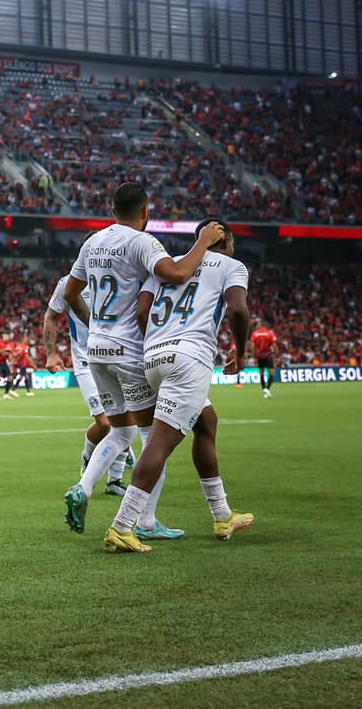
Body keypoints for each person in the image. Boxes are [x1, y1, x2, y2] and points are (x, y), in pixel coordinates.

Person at [62, 182, 225, 537]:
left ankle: (83, 487)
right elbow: (178, 273)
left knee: (121, 430)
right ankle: (145, 522)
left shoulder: (92, 242)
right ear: (146, 212)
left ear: (112, 209)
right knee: (155, 441)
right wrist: (203, 242)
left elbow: (71, 293)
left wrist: (95, 325)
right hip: (129, 351)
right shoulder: (142, 242)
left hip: (97, 350)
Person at [103, 218, 254, 552]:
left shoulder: (166, 266)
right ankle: (121, 526)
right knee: (161, 443)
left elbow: (142, 311)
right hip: (190, 359)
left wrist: (159, 343)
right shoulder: (232, 265)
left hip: (154, 356)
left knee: (206, 422)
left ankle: (222, 514)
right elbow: (238, 311)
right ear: (225, 238)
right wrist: (241, 352)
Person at [43, 275, 132, 497]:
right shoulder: (69, 282)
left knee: (125, 420)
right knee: (104, 423)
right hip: (85, 360)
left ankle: (115, 481)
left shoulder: (121, 274)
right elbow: (51, 316)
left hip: (119, 356)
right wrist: (51, 353)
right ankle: (88, 459)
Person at [250, 320, 278, 398]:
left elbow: (253, 347)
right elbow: (274, 345)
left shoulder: (254, 334)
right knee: (272, 373)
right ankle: (267, 389)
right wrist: (277, 355)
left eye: (257, 324)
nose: (256, 326)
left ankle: (264, 389)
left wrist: (254, 357)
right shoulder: (270, 333)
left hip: (259, 356)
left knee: (261, 373)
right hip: (268, 355)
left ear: (261, 324)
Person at [0, 332, 14, 399]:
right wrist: (5, 349)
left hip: (4, 362)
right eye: (5, 336)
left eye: (8, 336)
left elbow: (10, 354)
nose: (7, 337)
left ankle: (6, 394)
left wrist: (11, 358)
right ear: (2, 336)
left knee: (10, 378)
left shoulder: (11, 344)